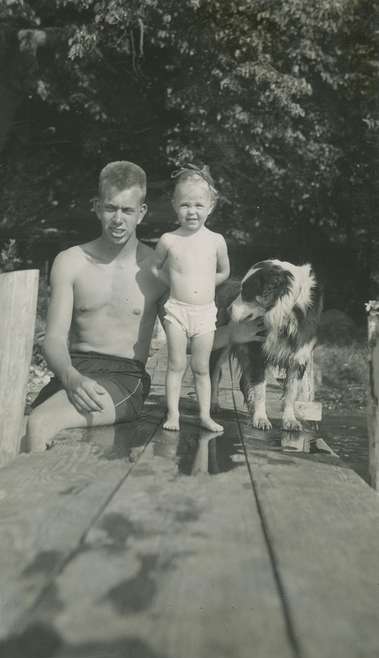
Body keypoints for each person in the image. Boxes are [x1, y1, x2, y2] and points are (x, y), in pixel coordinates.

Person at [26, 160, 264, 451]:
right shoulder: (70, 262)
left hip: (124, 378)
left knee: (40, 423)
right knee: (13, 433)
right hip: (73, 372)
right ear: (96, 206)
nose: (118, 219)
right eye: (111, 208)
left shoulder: (159, 271)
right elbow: (52, 339)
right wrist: (70, 377)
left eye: (127, 210)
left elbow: (187, 340)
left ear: (141, 213)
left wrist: (233, 335)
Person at [151, 164, 230, 432]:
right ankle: (173, 414)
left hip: (205, 312)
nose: (192, 211)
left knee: (201, 367)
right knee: (175, 364)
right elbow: (154, 267)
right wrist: (172, 282)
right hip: (177, 310)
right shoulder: (169, 240)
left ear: (211, 206)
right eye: (185, 204)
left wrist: (209, 283)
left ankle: (205, 415)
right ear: (174, 205)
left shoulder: (216, 240)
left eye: (198, 204)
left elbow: (224, 271)